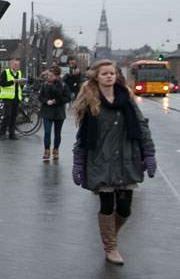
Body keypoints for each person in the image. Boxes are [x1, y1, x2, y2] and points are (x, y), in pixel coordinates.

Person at [71, 59, 156, 266]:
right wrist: (78, 163)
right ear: (97, 77)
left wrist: (149, 152)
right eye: (105, 73)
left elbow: (142, 127)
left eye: (112, 73)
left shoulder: (126, 98)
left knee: (125, 208)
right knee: (107, 204)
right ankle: (110, 247)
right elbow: (82, 137)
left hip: (127, 158)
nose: (109, 76)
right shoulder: (91, 101)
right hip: (101, 160)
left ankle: (111, 237)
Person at [39, 65, 71, 161]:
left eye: (51, 75)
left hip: (59, 112)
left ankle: (56, 150)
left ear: (57, 76)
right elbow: (40, 97)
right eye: (48, 75)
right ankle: (46, 150)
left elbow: (67, 98)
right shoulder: (44, 85)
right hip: (47, 111)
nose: (49, 77)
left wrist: (55, 101)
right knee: (47, 132)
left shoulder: (63, 85)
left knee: (57, 133)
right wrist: (46, 101)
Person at [0, 58, 25, 139]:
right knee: (7, 116)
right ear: (11, 65)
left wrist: (22, 83)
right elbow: (2, 84)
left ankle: (11, 134)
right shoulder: (5, 72)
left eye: (18, 65)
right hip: (7, 98)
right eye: (15, 64)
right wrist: (14, 81)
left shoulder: (19, 73)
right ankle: (2, 134)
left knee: (14, 116)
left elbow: (19, 86)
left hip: (16, 98)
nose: (17, 66)